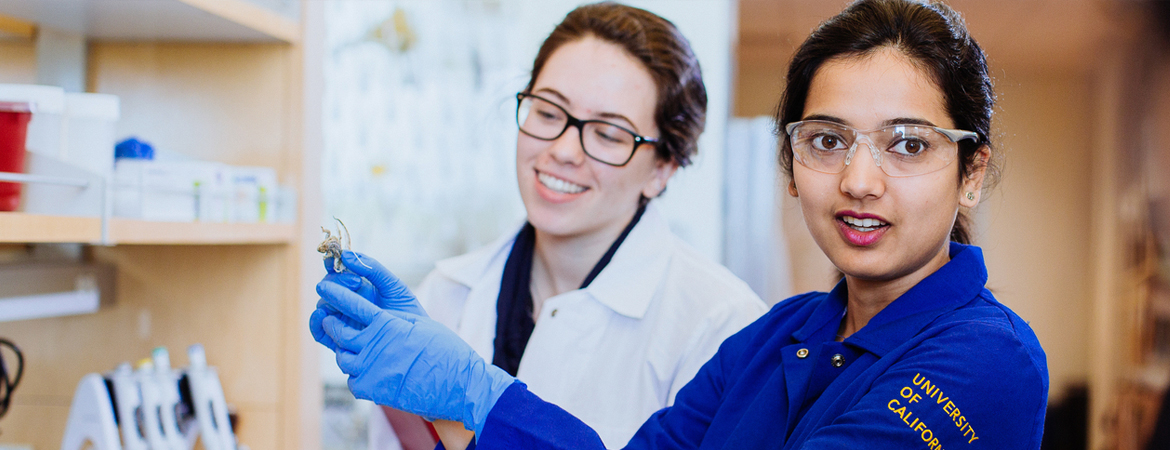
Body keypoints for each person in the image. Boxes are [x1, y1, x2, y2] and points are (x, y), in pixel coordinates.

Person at [311, 0, 1051, 449]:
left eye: (908, 144)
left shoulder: (990, 362)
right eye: (826, 140)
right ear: (792, 167)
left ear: (972, 172)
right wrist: (463, 397)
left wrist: (477, 395)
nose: (860, 180)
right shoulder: (775, 339)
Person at [314, 2, 766, 448]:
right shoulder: (445, 294)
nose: (565, 150)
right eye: (548, 113)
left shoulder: (721, 326)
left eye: (608, 134)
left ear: (662, 168)